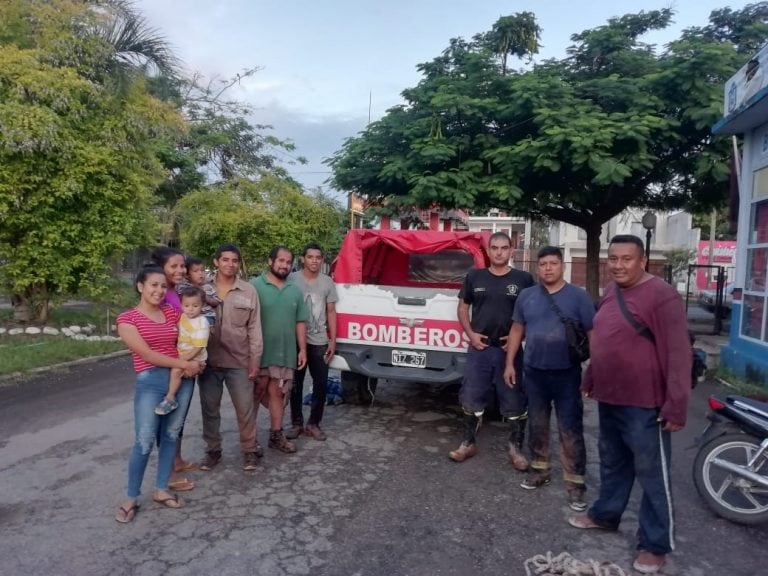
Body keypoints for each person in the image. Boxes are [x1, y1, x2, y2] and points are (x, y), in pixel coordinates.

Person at [567, 235, 692, 576]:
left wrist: (676, 405)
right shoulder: (612, 291)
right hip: (611, 396)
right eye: (614, 259)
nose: (619, 265)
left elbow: (678, 354)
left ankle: (655, 544)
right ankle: (606, 515)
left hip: (645, 403)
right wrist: (592, 375)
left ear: (643, 261)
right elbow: (607, 338)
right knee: (612, 463)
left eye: (627, 259)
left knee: (653, 475)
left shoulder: (662, 295)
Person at [503, 246, 595, 512]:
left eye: (553, 263)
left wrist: (595, 369)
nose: (548, 268)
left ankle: (576, 486)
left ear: (562, 266)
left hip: (567, 373)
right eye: (543, 264)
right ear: (538, 267)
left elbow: (592, 333)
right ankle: (539, 471)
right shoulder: (527, 296)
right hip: (534, 372)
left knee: (570, 429)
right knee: (538, 424)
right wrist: (510, 363)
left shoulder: (578, 297)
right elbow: (517, 329)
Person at [114, 265, 204, 523]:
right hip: (151, 381)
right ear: (141, 286)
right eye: (154, 284)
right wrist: (185, 364)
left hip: (182, 381)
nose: (159, 290)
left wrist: (199, 359)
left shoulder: (173, 311)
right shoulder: (127, 319)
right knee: (144, 439)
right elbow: (147, 355)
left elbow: (190, 337)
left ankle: (161, 489)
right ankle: (131, 497)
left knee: (171, 435)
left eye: (163, 286)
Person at [450, 232, 534, 468]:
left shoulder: (524, 279)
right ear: (487, 251)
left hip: (510, 351)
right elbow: (462, 308)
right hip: (481, 349)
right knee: (471, 396)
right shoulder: (474, 276)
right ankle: (468, 443)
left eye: (504, 248)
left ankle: (515, 449)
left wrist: (521, 336)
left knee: (515, 399)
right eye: (494, 247)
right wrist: (470, 334)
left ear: (511, 250)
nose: (498, 252)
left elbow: (533, 312)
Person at [197, 244, 264, 472]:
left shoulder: (248, 291)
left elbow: (254, 329)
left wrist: (255, 360)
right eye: (225, 260)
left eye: (234, 260)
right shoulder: (201, 290)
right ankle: (213, 451)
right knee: (210, 409)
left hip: (239, 361)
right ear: (216, 262)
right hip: (209, 361)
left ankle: (249, 451)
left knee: (245, 409)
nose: (230, 264)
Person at [251, 246, 308, 454]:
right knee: (255, 393)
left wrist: (302, 349)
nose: (284, 265)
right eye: (280, 261)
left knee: (278, 394)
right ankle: (251, 440)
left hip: (285, 353)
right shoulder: (255, 286)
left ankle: (276, 435)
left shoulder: (294, 290)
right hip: (259, 354)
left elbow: (300, 321)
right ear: (270, 261)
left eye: (288, 262)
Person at [150, 247, 197, 490]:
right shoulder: (160, 295)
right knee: (169, 423)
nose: (180, 270)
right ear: (162, 269)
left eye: (182, 266)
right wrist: (184, 363)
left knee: (179, 418)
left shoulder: (175, 292)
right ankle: (167, 475)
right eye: (174, 266)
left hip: (186, 362)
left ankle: (176, 461)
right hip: (174, 366)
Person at [285, 242, 338, 441]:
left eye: (318, 257)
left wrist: (332, 340)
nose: (314, 261)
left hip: (319, 341)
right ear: (303, 259)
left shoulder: (327, 282)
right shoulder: (291, 279)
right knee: (295, 384)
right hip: (295, 341)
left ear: (322, 260)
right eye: (310, 257)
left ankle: (314, 424)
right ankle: (296, 423)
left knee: (321, 383)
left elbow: (331, 311)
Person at [154, 286, 210, 416]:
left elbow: (198, 347)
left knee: (176, 370)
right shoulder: (183, 317)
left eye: (195, 306)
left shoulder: (202, 323)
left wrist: (181, 361)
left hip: (195, 356)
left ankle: (170, 398)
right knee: (176, 372)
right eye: (186, 305)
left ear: (203, 305)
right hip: (184, 353)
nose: (190, 309)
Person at [177, 256, 221, 325]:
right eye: (195, 271)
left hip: (207, 318)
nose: (200, 273)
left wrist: (205, 297)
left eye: (202, 270)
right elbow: (181, 299)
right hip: (189, 318)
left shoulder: (208, 287)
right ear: (186, 275)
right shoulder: (183, 286)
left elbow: (216, 302)